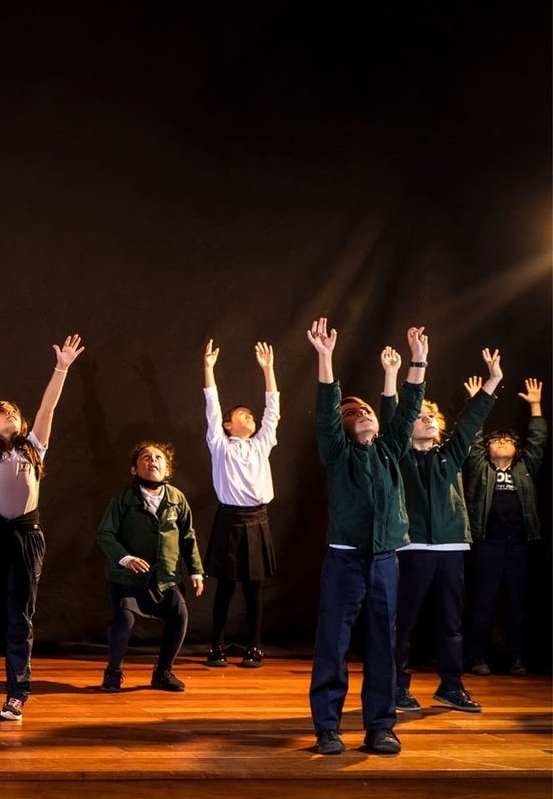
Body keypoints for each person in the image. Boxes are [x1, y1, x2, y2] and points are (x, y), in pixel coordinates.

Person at [0, 326, 84, 721]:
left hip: (25, 537)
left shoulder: (33, 447)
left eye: (14, 413)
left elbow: (47, 409)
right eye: (1, 413)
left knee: (19, 616)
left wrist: (61, 369)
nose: (10, 416)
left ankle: (18, 692)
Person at [305, 318, 426, 757]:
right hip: (344, 561)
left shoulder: (391, 451)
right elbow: (326, 410)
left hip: (384, 562)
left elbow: (409, 408)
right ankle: (328, 728)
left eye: (368, 410)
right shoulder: (337, 454)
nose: (362, 415)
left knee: (384, 645)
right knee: (333, 644)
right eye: (351, 412)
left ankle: (380, 727)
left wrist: (417, 361)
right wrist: (324, 356)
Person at [392, 348, 502, 714]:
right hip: (412, 547)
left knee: (451, 622)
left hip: (452, 546)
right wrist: (406, 368)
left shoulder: (449, 454)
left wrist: (493, 381)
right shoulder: (400, 456)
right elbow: (398, 409)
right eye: (421, 417)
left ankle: (451, 686)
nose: (429, 421)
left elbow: (470, 422)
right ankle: (396, 686)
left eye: (432, 416)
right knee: (404, 621)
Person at [95, 442, 204, 693]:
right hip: (129, 578)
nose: (152, 461)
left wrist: (196, 571)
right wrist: (126, 558)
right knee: (124, 617)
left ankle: (163, 672)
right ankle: (113, 672)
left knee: (180, 616)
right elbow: (105, 535)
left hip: (165, 576)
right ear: (135, 469)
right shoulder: (123, 499)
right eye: (145, 458)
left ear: (167, 468)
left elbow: (188, 536)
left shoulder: (177, 498)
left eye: (158, 458)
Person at [200, 339, 281, 669]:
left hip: (258, 519)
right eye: (240, 414)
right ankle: (216, 646)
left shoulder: (262, 443)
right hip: (230, 519)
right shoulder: (220, 444)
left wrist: (268, 370)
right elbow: (212, 407)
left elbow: (273, 410)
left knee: (254, 588)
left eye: (250, 414)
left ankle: (255, 647)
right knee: (226, 586)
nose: (248, 416)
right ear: (228, 425)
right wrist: (208, 369)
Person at [464, 376, 545, 677]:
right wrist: (476, 403)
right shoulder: (481, 468)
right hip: (488, 544)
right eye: (495, 441)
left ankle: (517, 658)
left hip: (520, 545)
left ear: (516, 449)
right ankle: (476, 657)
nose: (501, 443)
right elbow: (471, 439)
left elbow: (538, 443)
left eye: (507, 440)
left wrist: (535, 406)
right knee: (482, 602)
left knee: (517, 604)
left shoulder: (524, 469)